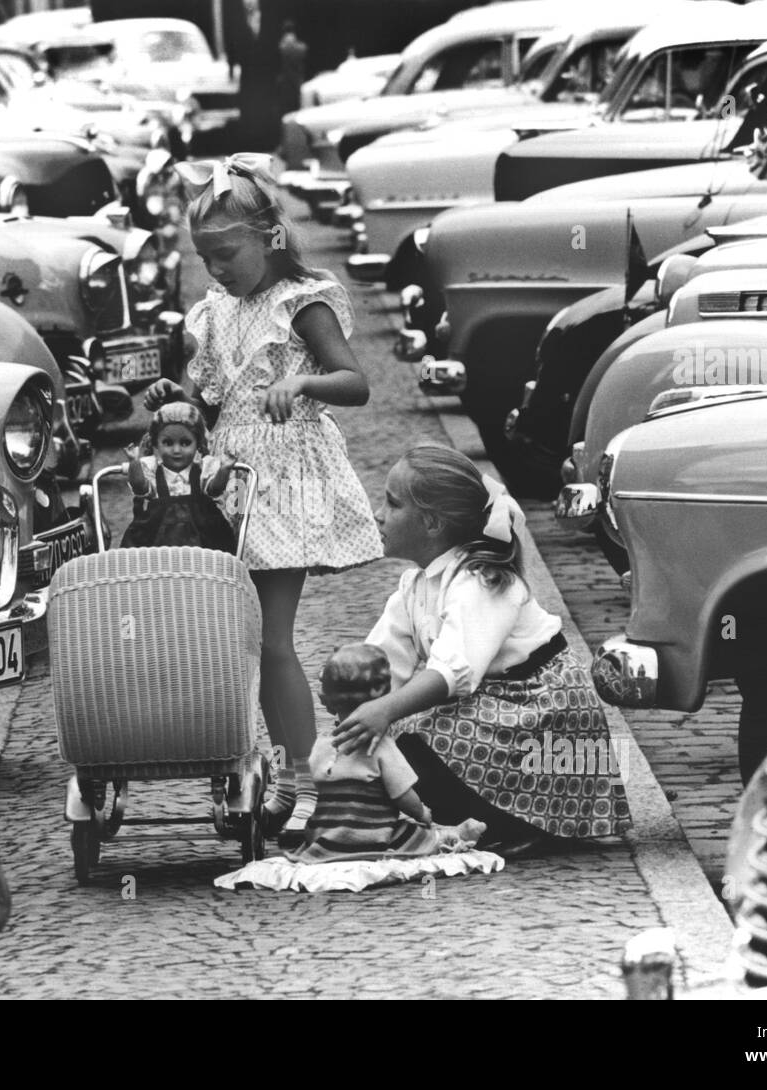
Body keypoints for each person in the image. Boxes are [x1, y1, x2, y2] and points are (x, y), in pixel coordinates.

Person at [143, 153, 382, 842]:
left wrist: (303, 385)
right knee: (237, 641)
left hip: (280, 480)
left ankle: (309, 784)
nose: (216, 269)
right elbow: (212, 404)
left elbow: (355, 382)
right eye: (204, 257)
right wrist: (175, 405)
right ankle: (272, 775)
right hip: (226, 483)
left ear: (270, 236)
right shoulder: (216, 312)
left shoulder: (297, 302)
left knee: (272, 640)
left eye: (226, 253)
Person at [332, 443, 631, 858]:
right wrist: (354, 703)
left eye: (392, 504)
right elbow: (383, 662)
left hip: (541, 713)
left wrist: (385, 713)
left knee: (418, 735)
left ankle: (520, 820)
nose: (378, 514)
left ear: (433, 523)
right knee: (392, 741)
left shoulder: (483, 580)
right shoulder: (415, 586)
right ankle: (458, 813)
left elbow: (454, 672)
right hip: (493, 706)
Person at [288, 642, 485, 863]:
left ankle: (329, 845)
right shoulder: (381, 746)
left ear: (328, 701)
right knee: (415, 834)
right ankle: (450, 836)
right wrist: (421, 813)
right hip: (374, 836)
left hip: (327, 837)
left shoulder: (323, 744)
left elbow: (317, 778)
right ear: (382, 697)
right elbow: (402, 794)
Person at [120, 401, 237, 552]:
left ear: (198, 444)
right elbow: (140, 487)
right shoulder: (153, 470)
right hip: (158, 542)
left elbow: (214, 489)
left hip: (202, 540)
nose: (176, 450)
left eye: (185, 443)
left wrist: (224, 470)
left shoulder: (203, 468)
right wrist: (134, 463)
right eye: (168, 443)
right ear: (156, 443)